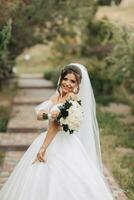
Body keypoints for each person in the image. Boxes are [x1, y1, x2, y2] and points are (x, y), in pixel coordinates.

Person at [0, 63, 114, 200]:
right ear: (61, 79)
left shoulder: (71, 97)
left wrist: (43, 147)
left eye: (73, 81)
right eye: (65, 79)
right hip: (50, 137)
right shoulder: (57, 96)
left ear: (78, 85)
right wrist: (48, 114)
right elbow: (39, 115)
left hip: (61, 141)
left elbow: (55, 127)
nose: (67, 83)